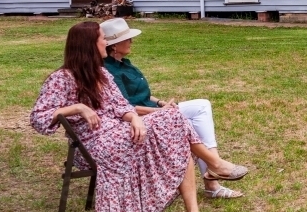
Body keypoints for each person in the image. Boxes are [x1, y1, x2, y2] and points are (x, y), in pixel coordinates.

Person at [30, 22, 238, 212]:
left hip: (120, 135)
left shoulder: (100, 73)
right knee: (174, 119)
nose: (106, 42)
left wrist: (134, 119)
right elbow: (38, 118)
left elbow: (121, 106)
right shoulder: (62, 78)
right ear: (89, 44)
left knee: (177, 132)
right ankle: (214, 164)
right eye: (102, 38)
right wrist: (77, 107)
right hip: (94, 145)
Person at [100, 18, 246, 199]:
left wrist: (161, 102)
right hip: (141, 119)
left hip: (154, 110)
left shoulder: (124, 63)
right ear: (114, 45)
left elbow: (143, 95)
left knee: (202, 106)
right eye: (128, 38)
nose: (132, 41)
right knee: (198, 114)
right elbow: (124, 106)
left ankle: (214, 172)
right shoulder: (110, 71)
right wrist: (162, 112)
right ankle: (213, 176)